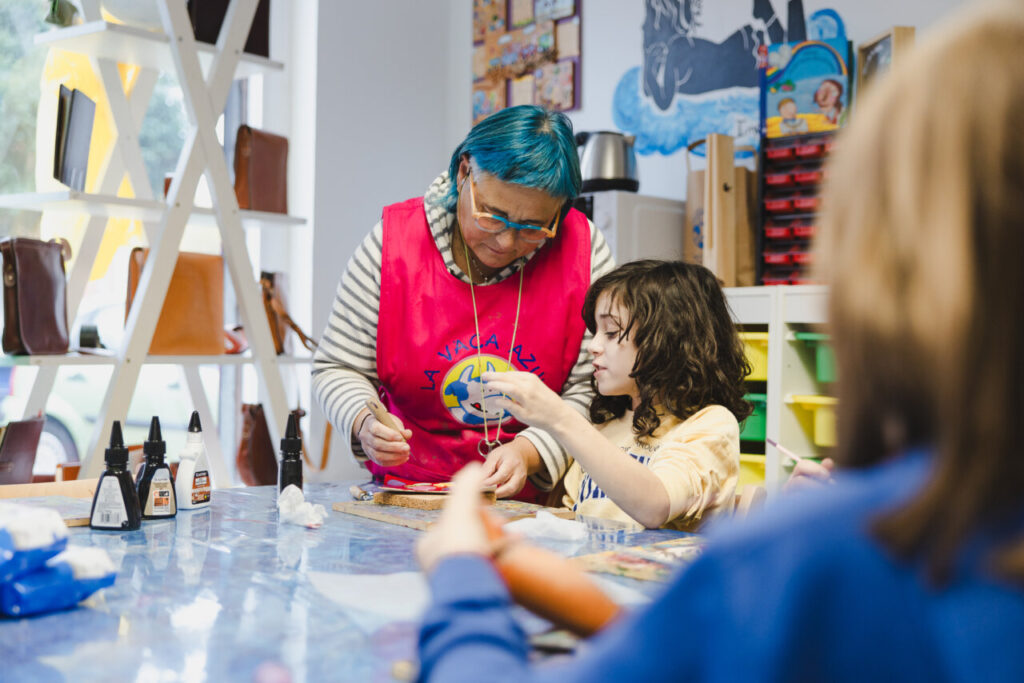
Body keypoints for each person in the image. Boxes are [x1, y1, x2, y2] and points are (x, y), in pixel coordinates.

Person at [415, 3, 1024, 680]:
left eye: (613, 332)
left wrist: (463, 574)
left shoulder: (814, 558)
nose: (593, 346)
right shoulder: (625, 429)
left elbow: (652, 518)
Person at [312, 106, 614, 499]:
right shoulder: (394, 244)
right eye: (493, 215)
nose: (505, 242)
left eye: (532, 228)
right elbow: (337, 366)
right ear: (463, 172)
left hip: (535, 508)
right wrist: (364, 420)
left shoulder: (585, 252)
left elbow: (595, 391)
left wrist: (529, 451)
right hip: (410, 494)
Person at [480, 260, 751, 530]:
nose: (594, 346)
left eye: (611, 332)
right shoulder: (608, 423)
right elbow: (573, 519)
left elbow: (655, 505)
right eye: (595, 332)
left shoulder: (711, 424)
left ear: (668, 341)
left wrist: (560, 417)